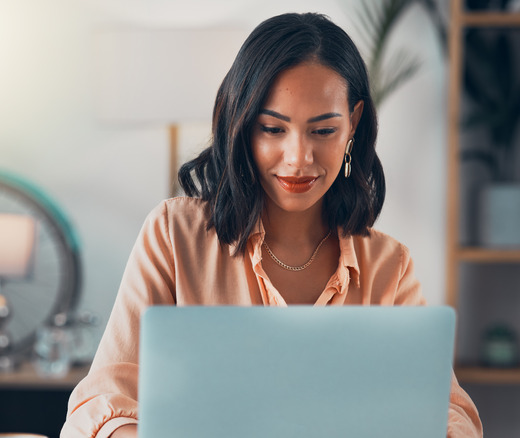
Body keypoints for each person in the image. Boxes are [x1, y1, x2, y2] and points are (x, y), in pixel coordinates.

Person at [61, 12, 483, 438]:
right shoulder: (173, 235)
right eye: (272, 129)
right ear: (241, 126)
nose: (298, 158)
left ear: (353, 124)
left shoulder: (388, 265)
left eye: (322, 130)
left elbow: (447, 408)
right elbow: (100, 403)